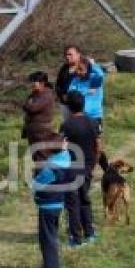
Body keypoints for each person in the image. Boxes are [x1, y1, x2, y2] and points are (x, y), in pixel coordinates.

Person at [60, 90, 100, 247]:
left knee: (72, 203)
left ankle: (76, 238)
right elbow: (98, 145)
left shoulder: (66, 125)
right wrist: (94, 163)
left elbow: (61, 147)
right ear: (83, 104)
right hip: (87, 167)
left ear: (69, 107)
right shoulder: (93, 122)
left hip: (71, 167)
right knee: (85, 199)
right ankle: (89, 233)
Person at [31, 136, 73, 268]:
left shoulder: (51, 167)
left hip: (47, 206)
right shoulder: (66, 160)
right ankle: (52, 267)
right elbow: (64, 150)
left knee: (47, 238)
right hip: (59, 203)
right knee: (53, 235)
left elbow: (36, 184)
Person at [56, 45, 106, 131]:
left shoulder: (94, 78)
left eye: (81, 69)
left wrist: (93, 65)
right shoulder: (75, 79)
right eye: (77, 69)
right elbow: (70, 91)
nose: (78, 72)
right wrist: (63, 96)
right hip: (80, 115)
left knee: (95, 139)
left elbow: (100, 74)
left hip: (94, 115)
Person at [22, 71, 57, 152]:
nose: (32, 84)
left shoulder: (46, 94)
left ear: (42, 83)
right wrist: (27, 104)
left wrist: (27, 105)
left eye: (34, 81)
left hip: (42, 131)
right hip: (32, 130)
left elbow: (32, 107)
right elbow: (26, 104)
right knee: (35, 154)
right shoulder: (34, 94)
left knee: (42, 154)